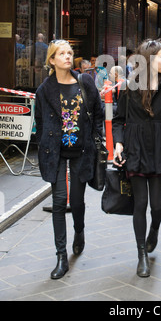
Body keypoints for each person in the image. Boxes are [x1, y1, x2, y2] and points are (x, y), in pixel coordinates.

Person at [112, 39, 161, 278]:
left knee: (158, 206)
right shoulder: (129, 86)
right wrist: (119, 143)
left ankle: (154, 230)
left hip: (160, 149)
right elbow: (118, 119)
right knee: (140, 204)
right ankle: (141, 253)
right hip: (134, 148)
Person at [35, 40, 104, 280]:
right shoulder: (44, 89)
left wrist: (97, 137)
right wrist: (45, 148)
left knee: (76, 201)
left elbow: (97, 111)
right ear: (52, 60)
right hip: (56, 152)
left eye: (69, 53)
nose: (67, 56)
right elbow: (40, 122)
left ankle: (79, 231)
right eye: (61, 53)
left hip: (82, 150)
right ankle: (61, 256)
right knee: (58, 202)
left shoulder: (84, 82)